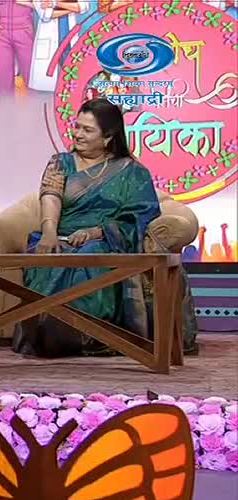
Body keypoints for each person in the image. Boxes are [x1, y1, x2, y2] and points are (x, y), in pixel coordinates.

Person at [13, 98, 198, 357]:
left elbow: (136, 217)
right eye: (77, 127)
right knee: (45, 257)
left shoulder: (132, 172)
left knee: (90, 258)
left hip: (105, 238)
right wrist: (49, 232)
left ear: (108, 137)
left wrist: (94, 232)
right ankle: (45, 331)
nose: (78, 134)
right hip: (60, 234)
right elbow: (50, 196)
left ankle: (85, 335)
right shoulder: (60, 162)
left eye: (87, 130)